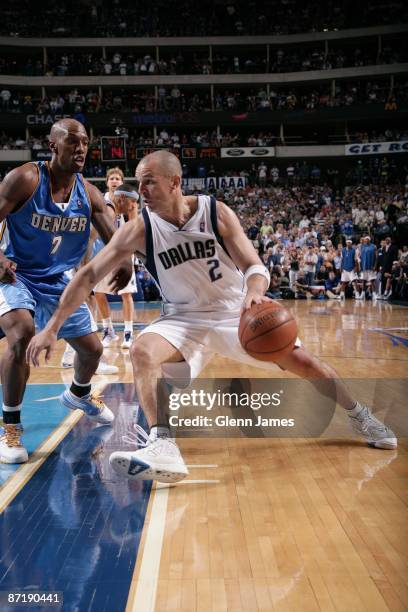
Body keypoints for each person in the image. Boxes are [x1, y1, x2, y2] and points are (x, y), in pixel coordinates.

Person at [26, 151, 397, 483]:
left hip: (234, 313)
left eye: (149, 182)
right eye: (139, 184)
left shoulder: (214, 212)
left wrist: (253, 291)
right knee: (142, 351)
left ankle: (359, 413)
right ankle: (163, 444)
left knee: (305, 363)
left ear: (175, 182)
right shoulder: (139, 228)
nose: (142, 191)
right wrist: (52, 328)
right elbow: (89, 275)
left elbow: (253, 264)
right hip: (182, 319)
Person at [0, 118, 132, 463]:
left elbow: (114, 237)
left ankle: (79, 393)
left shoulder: (87, 193)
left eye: (85, 142)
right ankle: (10, 427)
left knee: (92, 350)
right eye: (72, 141)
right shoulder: (25, 179)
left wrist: (125, 260)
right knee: (22, 334)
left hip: (58, 279)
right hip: (15, 274)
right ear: (53, 145)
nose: (81, 148)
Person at [92, 180, 139, 349]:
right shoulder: (103, 202)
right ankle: (108, 331)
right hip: (102, 253)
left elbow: (134, 228)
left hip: (122, 253)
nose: (114, 182)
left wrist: (131, 254)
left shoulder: (130, 203)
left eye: (117, 180)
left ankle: (128, 333)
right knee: (98, 292)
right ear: (107, 183)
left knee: (126, 294)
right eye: (111, 179)